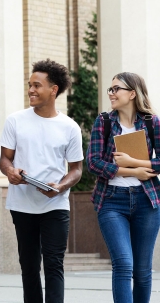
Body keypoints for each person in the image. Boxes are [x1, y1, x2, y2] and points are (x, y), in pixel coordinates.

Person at [0, 59, 83, 303]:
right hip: (22, 204)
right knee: (28, 265)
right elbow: (5, 159)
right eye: (29, 85)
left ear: (53, 89)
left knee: (54, 264)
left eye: (37, 85)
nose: (31, 90)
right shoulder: (15, 120)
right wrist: (10, 172)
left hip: (55, 204)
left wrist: (61, 186)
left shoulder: (70, 127)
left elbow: (77, 170)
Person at [87, 72, 160, 303]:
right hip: (111, 200)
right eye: (110, 89)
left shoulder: (151, 122)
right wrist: (132, 172)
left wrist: (135, 163)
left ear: (132, 93)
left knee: (142, 269)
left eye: (116, 89)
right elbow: (93, 162)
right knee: (123, 264)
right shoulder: (104, 122)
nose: (111, 93)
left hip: (146, 200)